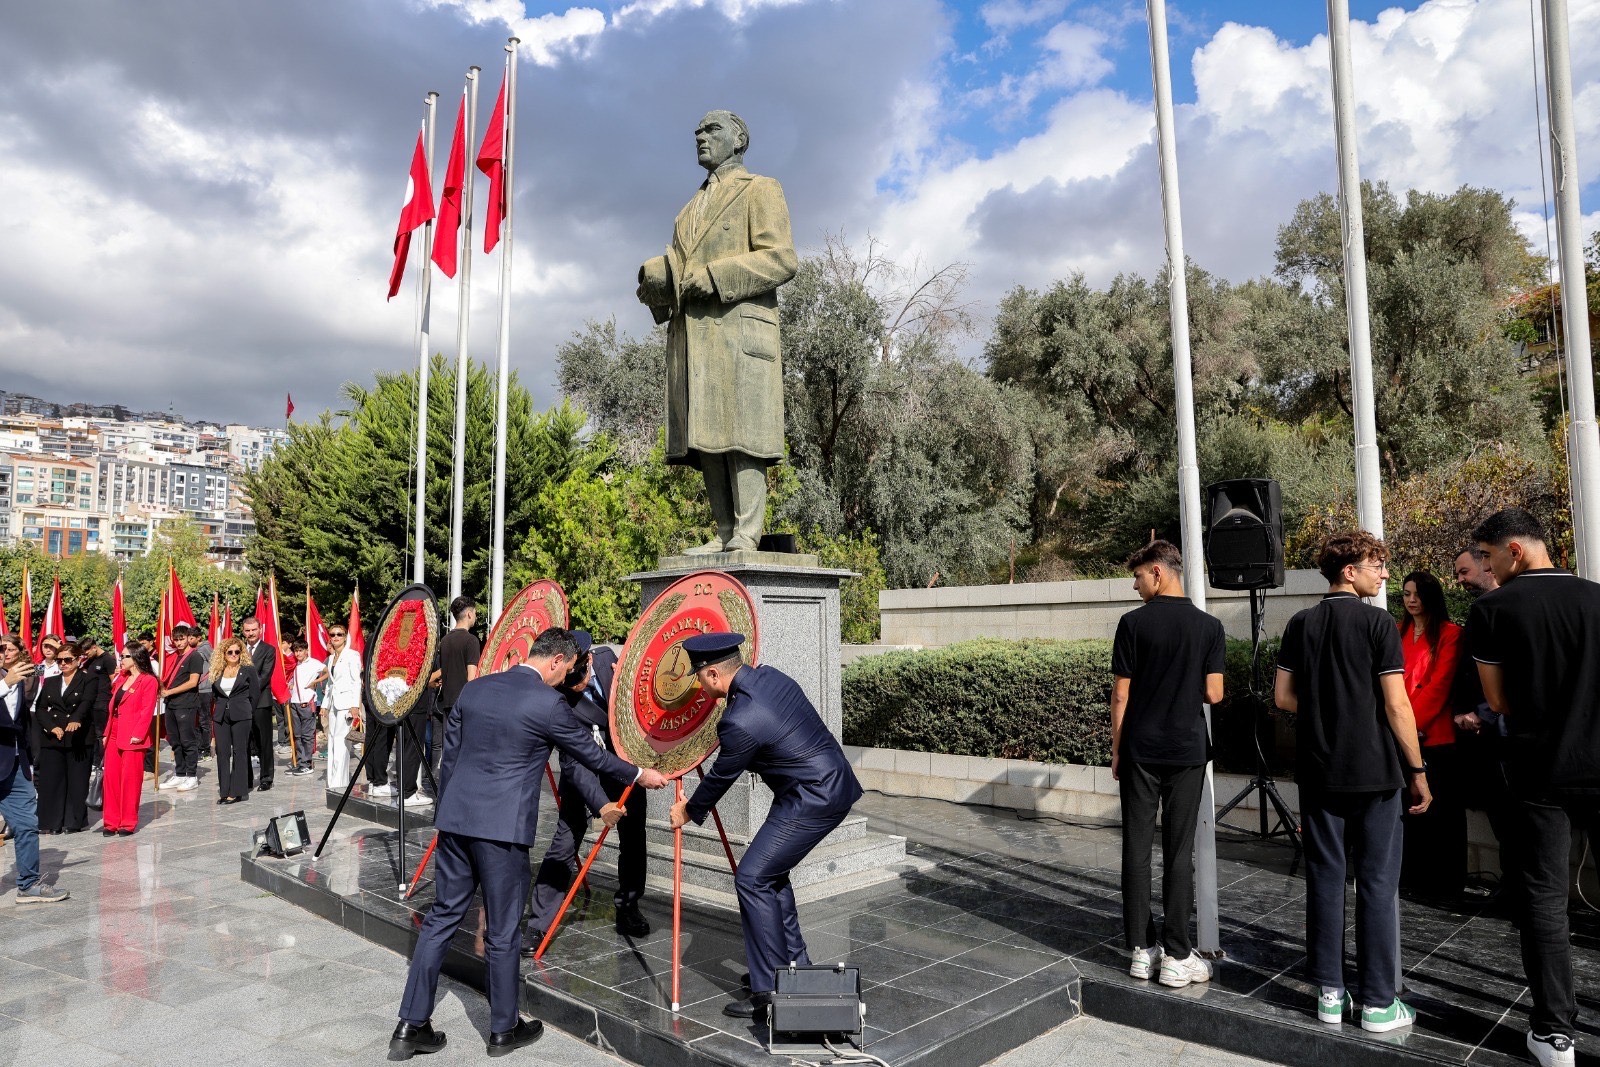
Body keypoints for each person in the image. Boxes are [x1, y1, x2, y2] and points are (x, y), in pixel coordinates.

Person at [390, 628, 668, 1060]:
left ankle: (410, 1026)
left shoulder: (476, 689)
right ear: (555, 660)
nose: (569, 677)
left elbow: (452, 757)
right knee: (502, 931)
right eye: (568, 668)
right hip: (502, 832)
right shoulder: (547, 701)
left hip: (457, 822)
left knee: (442, 918)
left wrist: (447, 812)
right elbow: (590, 755)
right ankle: (503, 1029)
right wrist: (637, 775)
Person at [1275, 531, 1431, 1033]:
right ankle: (1379, 1003)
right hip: (1376, 772)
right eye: (1376, 565)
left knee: (1324, 878)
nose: (1384, 574)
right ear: (1349, 571)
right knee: (1378, 883)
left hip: (1320, 771)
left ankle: (1328, 994)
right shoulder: (1378, 623)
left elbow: (1283, 696)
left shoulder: (1301, 623)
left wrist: (1327, 712)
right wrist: (1419, 770)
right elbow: (1397, 704)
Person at [669, 633, 863, 1021]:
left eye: (699, 680)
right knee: (769, 876)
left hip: (813, 797)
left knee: (752, 879)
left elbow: (721, 777)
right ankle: (796, 970)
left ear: (711, 675)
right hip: (819, 785)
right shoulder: (770, 677)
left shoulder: (739, 720)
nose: (700, 688)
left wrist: (688, 810)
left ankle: (770, 992)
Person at [1468, 508, 1600, 1067]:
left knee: (1545, 902)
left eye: (1490, 556)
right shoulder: (1598, 599)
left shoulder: (1493, 609)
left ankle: (1554, 1035)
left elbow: (1497, 703)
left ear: (1514, 550)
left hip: (1539, 772)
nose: (1488, 567)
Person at [636, 110, 799, 554]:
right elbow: (678, 269)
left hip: (739, 332)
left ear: (739, 139)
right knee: (706, 434)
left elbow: (782, 259)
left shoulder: (761, 189)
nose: (700, 136)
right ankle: (726, 531)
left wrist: (716, 275)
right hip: (695, 337)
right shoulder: (686, 211)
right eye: (698, 131)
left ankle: (748, 531)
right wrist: (657, 281)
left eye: (712, 130)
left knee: (742, 435)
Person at [1109, 540, 1225, 988]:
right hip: (1186, 751)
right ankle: (1177, 955)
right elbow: (1214, 694)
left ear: (1158, 573)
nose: (1135, 587)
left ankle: (1142, 950)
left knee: (1135, 850)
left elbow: (1122, 694)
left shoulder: (1132, 625)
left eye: (1138, 577)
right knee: (1179, 853)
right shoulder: (1209, 627)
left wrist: (1118, 748)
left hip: (1140, 749)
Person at [525, 631, 642, 954]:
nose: (573, 682)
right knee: (564, 844)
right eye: (568, 677)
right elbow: (574, 762)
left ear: (588, 660)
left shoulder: (610, 660)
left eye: (579, 675)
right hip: (584, 770)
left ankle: (629, 906)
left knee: (634, 841)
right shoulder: (559, 696)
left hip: (626, 767)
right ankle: (539, 924)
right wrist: (601, 805)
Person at [1450, 545, 1522, 913]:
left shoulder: (1509, 607)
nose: (1459, 580)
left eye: (1464, 572)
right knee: (1502, 817)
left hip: (1510, 736)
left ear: (1487, 566)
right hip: (1487, 738)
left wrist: (1484, 714)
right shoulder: (1480, 612)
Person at [1397, 570, 1465, 901]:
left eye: (1418, 593)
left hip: (1435, 735)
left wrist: (1410, 725)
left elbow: (1440, 685)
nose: (1412, 599)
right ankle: (1413, 878)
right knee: (1409, 813)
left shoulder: (1451, 634)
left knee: (1443, 816)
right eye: (1407, 593)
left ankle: (1446, 884)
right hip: (1401, 735)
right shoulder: (1397, 632)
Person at [0, 634, 64, 903]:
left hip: (14, 763)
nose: (4, 652)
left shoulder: (16, 677)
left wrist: (28, 755)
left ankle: (27, 883)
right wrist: (4, 684)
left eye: (6, 648)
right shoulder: (8, 681)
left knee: (26, 824)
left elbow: (22, 720)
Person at [33, 641, 95, 834]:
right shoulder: (50, 680)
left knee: (77, 781)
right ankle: (51, 822)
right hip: (54, 737)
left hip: (78, 737)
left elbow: (87, 702)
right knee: (51, 780)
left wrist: (76, 719)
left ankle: (73, 821)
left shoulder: (88, 679)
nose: (63, 664)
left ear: (78, 659)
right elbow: (41, 707)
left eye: (67, 660)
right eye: (60, 660)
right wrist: (51, 727)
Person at [103, 644, 159, 836]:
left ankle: (127, 822)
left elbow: (147, 709)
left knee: (130, 780)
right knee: (111, 778)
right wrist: (106, 732)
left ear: (136, 658)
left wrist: (139, 733)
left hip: (133, 734)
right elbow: (113, 706)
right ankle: (111, 822)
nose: (121, 660)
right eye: (121, 656)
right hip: (114, 731)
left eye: (125, 656)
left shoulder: (148, 680)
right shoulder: (122, 678)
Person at [427, 596, 479, 793]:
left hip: (447, 703)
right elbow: (471, 677)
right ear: (468, 613)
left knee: (450, 750)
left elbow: (443, 671)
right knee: (465, 750)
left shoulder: (446, 640)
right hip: (464, 704)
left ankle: (446, 792)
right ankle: (462, 793)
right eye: (474, 612)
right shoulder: (471, 641)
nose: (475, 616)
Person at [210, 637, 259, 804]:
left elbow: (255, 695)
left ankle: (237, 791)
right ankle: (224, 791)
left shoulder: (247, 670)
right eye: (229, 652)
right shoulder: (217, 671)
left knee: (240, 752)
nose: (233, 654)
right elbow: (215, 695)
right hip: (221, 716)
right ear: (223, 654)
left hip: (242, 715)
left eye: (237, 651)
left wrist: (247, 712)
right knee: (222, 752)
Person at [159, 623, 204, 793]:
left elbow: (193, 682)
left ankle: (191, 776)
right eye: (176, 639)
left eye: (182, 639)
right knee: (175, 741)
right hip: (171, 704)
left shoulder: (195, 657)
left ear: (188, 638)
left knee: (187, 741)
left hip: (186, 704)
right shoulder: (173, 657)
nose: (178, 642)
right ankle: (180, 773)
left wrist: (170, 691)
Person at [242, 617, 278, 792]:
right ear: (243, 632)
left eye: (253, 630)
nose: (251, 633)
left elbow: (264, 677)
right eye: (247, 631)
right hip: (241, 704)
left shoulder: (268, 650)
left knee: (264, 741)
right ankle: (247, 778)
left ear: (260, 630)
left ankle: (266, 777)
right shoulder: (238, 650)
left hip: (261, 702)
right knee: (245, 741)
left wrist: (244, 689)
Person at [324, 624, 361, 790]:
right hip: (333, 703)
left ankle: (340, 782)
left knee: (341, 742)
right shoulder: (331, 658)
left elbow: (356, 681)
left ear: (345, 636)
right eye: (332, 634)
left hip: (346, 704)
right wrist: (325, 704)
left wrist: (354, 705)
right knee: (331, 739)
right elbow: (330, 684)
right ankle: (332, 779)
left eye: (339, 634)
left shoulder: (352, 655)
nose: (336, 637)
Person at [286, 638, 323, 778]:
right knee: (297, 735)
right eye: (296, 651)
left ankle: (307, 763)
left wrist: (316, 681)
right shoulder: (295, 664)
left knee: (307, 735)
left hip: (306, 702)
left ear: (306, 650)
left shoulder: (313, 663)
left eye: (301, 650)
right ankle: (300, 762)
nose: (298, 653)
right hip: (294, 702)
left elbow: (327, 672)